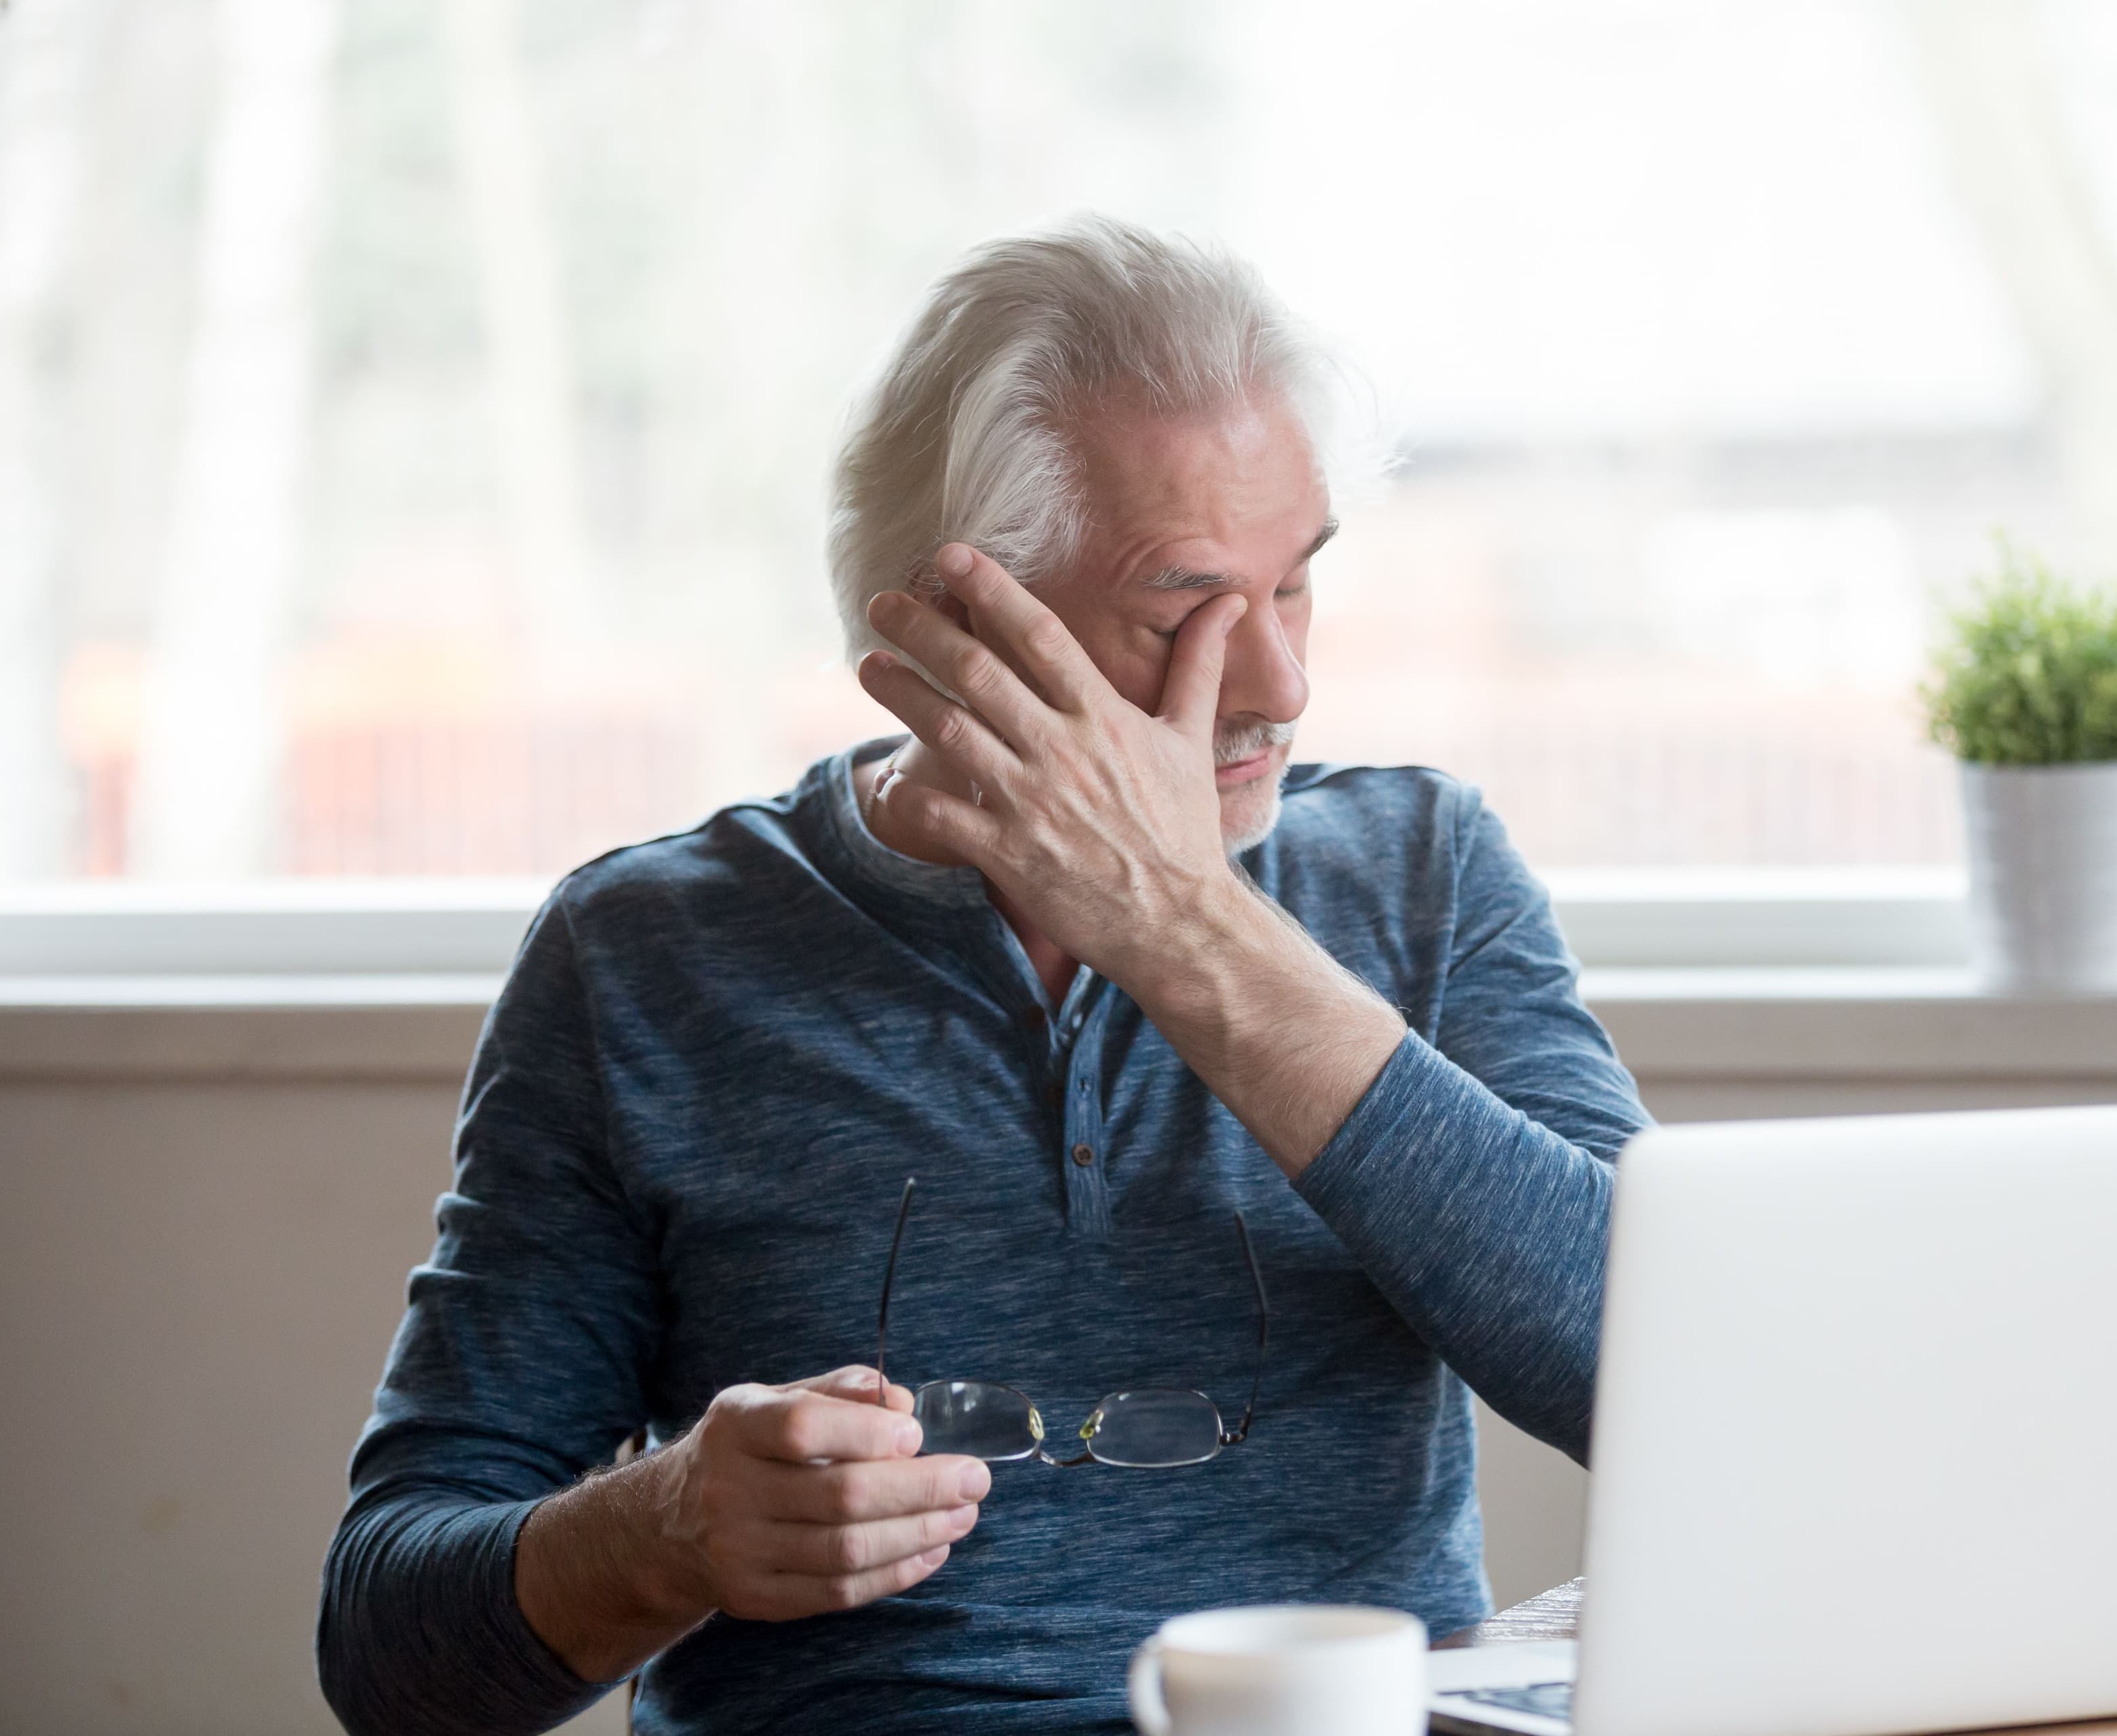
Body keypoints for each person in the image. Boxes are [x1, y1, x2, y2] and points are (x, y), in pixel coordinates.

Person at [317, 216, 1649, 1736]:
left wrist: (1182, 928)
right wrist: (666, 1522)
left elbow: (1669, 1378)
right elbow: (390, 1652)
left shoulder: (1426, 872)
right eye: (1185, 612)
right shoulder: (644, 953)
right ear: (960, 630)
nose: (1280, 682)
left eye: (1297, 587)